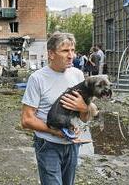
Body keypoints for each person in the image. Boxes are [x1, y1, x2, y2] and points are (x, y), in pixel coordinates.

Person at [21, 32, 90, 185]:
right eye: (65, 51)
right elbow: (26, 120)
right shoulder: (37, 78)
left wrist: (84, 108)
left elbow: (84, 117)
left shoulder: (78, 75)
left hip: (72, 145)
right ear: (51, 54)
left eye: (72, 50)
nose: (71, 55)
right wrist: (56, 132)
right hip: (48, 145)